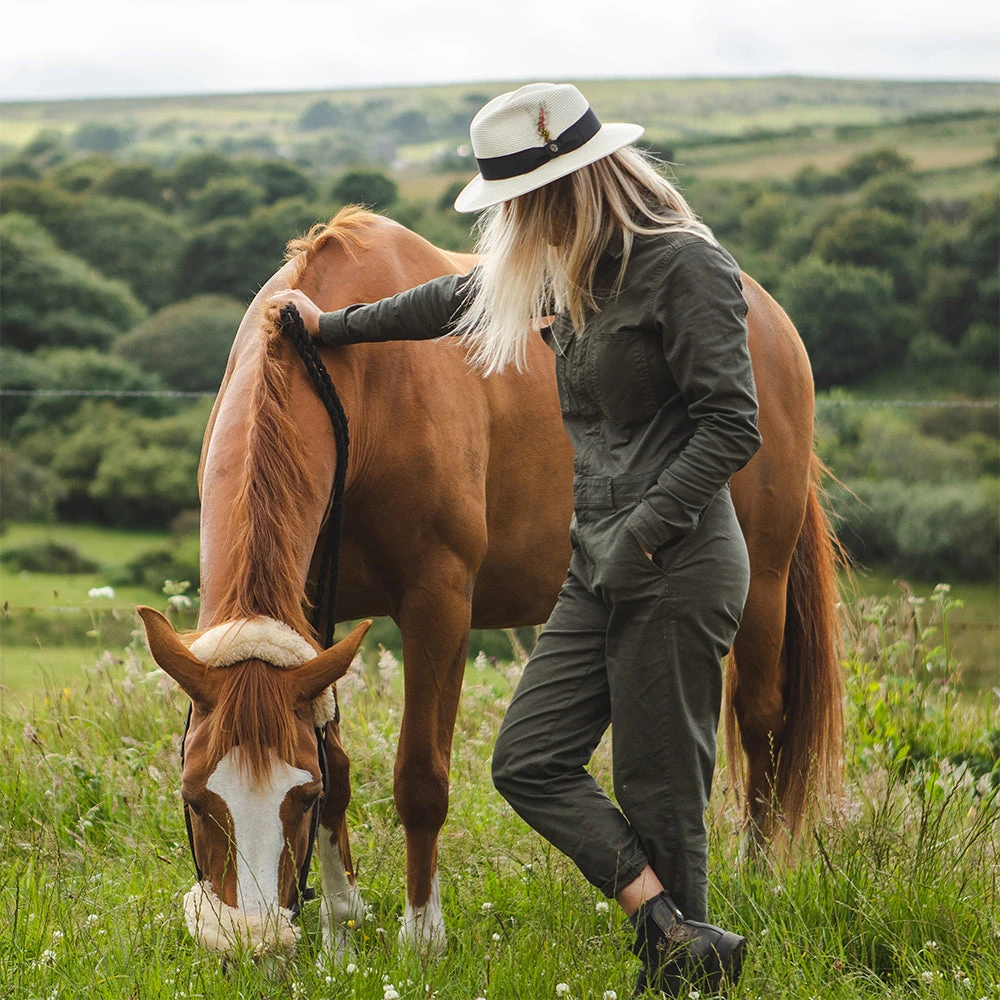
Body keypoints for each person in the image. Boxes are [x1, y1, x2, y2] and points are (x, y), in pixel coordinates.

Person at [268, 82, 760, 997]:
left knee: (660, 790)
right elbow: (452, 301)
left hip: (675, 560)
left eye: (522, 202)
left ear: (577, 184)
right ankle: (667, 926)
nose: (512, 223)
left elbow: (732, 426)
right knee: (526, 759)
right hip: (598, 561)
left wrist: (640, 539)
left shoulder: (685, 266)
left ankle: (686, 977)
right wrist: (331, 327)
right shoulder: (567, 267)